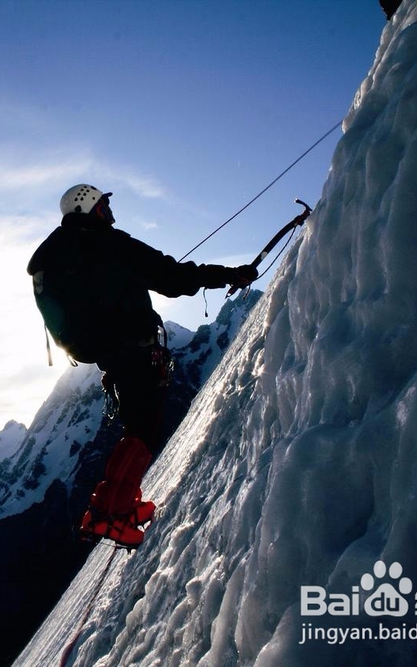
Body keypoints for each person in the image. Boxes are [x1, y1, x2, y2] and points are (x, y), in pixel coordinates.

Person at [28, 184, 258, 547]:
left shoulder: (59, 254)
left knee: (137, 426)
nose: (109, 211)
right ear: (90, 209)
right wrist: (229, 274)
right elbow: (172, 277)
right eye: (104, 205)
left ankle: (110, 506)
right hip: (133, 347)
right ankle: (113, 514)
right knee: (144, 429)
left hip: (108, 353)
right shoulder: (108, 244)